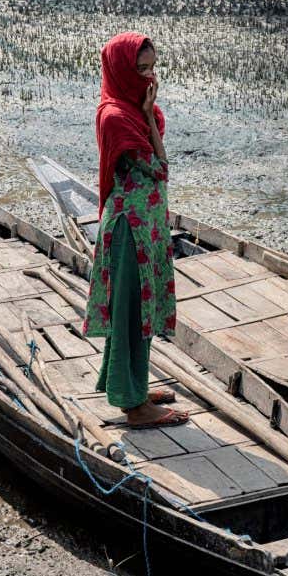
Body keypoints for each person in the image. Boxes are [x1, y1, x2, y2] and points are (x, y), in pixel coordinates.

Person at [81, 31, 187, 429]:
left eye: (152, 68)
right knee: (130, 313)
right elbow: (160, 167)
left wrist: (147, 114)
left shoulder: (138, 111)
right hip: (130, 231)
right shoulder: (116, 118)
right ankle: (134, 405)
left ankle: (132, 387)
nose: (149, 77)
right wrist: (148, 118)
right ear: (121, 70)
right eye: (141, 69)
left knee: (142, 308)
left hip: (148, 229)